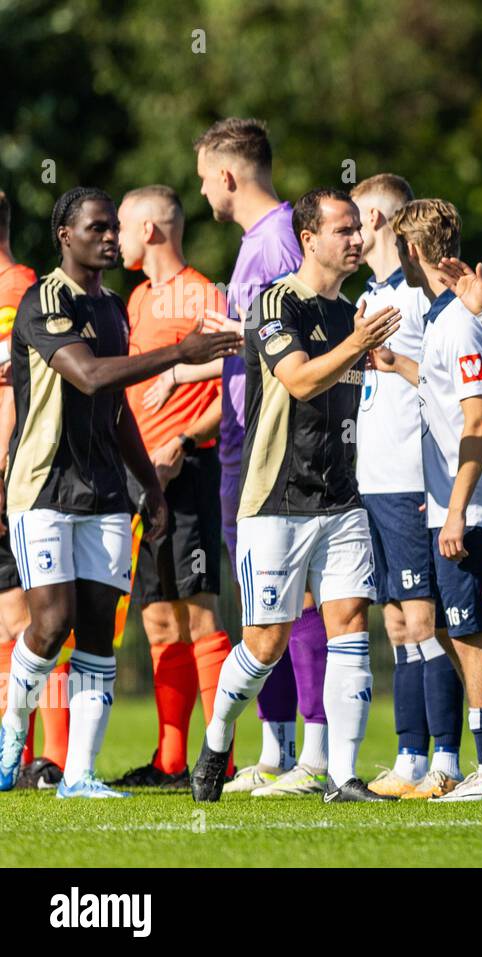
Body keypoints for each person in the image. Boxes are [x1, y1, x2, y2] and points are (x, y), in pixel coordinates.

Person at [0, 187, 240, 797]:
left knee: (100, 630)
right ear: (66, 235)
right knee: (50, 624)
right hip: (44, 487)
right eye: (97, 228)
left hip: (106, 493)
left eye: (114, 227)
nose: (110, 237)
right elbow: (89, 376)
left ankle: (79, 773)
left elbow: (116, 411)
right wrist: (178, 354)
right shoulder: (42, 300)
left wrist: (147, 489)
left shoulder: (113, 308)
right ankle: (11, 733)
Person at [190, 188, 402, 804]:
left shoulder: (351, 314)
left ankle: (343, 777)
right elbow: (301, 379)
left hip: (340, 501)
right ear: (309, 239)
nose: (357, 239)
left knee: (350, 625)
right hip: (275, 500)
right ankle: (220, 735)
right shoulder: (274, 302)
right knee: (264, 642)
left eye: (359, 229)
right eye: (343, 230)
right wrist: (360, 347)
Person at [194, 117, 329, 796]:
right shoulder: (257, 242)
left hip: (273, 445)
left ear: (226, 176)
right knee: (262, 596)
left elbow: (297, 338)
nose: (203, 194)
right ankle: (276, 750)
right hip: (245, 440)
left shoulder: (276, 240)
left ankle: (311, 747)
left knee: (291, 592)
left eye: (202, 179)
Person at [379, 198, 482, 802]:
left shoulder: (456, 321)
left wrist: (457, 508)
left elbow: (477, 420)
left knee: (472, 633)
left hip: (472, 504)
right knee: (461, 633)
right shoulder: (442, 319)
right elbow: (443, 387)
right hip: (450, 502)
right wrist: (397, 363)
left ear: (412, 251)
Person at [108, 185, 232, 789]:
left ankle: (222, 758)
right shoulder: (136, 300)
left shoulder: (203, 293)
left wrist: (181, 443)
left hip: (189, 474)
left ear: (152, 230)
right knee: (158, 622)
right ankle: (170, 761)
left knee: (201, 615)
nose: (115, 237)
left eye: (123, 226)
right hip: (142, 484)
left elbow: (234, 385)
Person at [348, 174, 465, 800]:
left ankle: (445, 757)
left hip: (411, 477)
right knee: (396, 623)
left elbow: (442, 388)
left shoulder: (417, 300)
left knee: (426, 619)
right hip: (374, 478)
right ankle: (410, 754)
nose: (352, 229)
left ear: (382, 222)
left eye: (359, 218)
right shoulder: (371, 295)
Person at [0, 189, 64, 789]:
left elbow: (21, 393)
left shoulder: (21, 288)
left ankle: (50, 758)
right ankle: (15, 756)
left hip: (15, 477)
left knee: (30, 617)